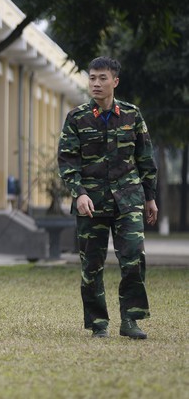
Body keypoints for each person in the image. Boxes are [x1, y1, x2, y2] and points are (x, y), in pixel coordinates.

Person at [58, 56, 158, 340]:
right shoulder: (76, 118)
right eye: (92, 78)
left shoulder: (131, 114)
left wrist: (149, 197)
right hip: (91, 202)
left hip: (128, 199)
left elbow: (145, 157)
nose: (96, 83)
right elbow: (67, 161)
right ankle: (98, 323)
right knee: (91, 265)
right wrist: (79, 193)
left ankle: (131, 320)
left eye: (102, 78)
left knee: (133, 257)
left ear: (115, 81)